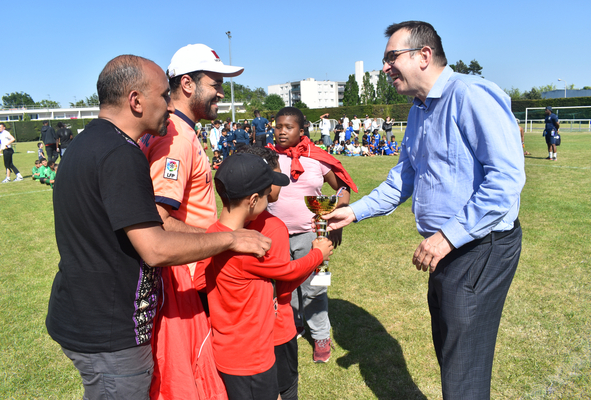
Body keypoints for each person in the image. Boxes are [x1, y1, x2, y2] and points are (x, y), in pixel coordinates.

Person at [46, 54, 270, 400]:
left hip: (91, 318)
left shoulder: (88, 143)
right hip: (109, 331)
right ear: (136, 101)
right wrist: (230, 239)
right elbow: (156, 246)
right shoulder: (120, 154)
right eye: (164, 95)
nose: (169, 104)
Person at [323, 21, 525, 400]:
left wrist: (447, 237)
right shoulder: (417, 110)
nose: (384, 68)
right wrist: (354, 212)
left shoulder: (470, 95)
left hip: (481, 246)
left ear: (424, 56)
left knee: (464, 365)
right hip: (449, 249)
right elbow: (404, 178)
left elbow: (506, 181)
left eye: (391, 58)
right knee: (452, 354)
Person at [139, 42, 246, 400]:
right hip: (184, 278)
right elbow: (159, 218)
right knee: (191, 373)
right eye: (214, 82)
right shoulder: (175, 139)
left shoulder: (181, 132)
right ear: (188, 85)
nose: (219, 91)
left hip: (189, 271)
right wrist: (225, 238)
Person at [205, 152, 333, 400]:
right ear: (253, 200)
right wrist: (319, 254)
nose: (269, 199)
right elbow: (287, 273)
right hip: (251, 357)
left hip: (229, 349)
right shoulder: (245, 247)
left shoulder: (212, 234)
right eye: (266, 195)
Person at [267, 106, 357, 363]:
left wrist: (333, 219)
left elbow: (343, 189)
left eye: (288, 127)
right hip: (277, 235)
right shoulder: (268, 157)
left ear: (302, 130)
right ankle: (294, 327)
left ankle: (321, 336)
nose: (281, 132)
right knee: (283, 288)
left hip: (313, 233)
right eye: (277, 126)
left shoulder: (317, 158)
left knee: (315, 288)